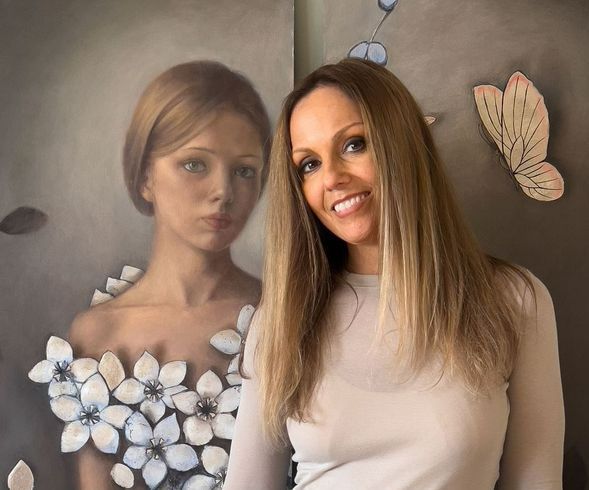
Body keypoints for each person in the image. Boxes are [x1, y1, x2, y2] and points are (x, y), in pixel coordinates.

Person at [224, 59, 565, 489]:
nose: (332, 178)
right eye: (309, 164)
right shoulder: (281, 321)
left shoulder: (514, 300)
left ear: (402, 143)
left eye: (354, 144)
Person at [69, 60, 270, 489]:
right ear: (146, 177)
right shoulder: (98, 335)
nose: (223, 192)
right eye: (195, 164)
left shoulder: (282, 312)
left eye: (244, 171)